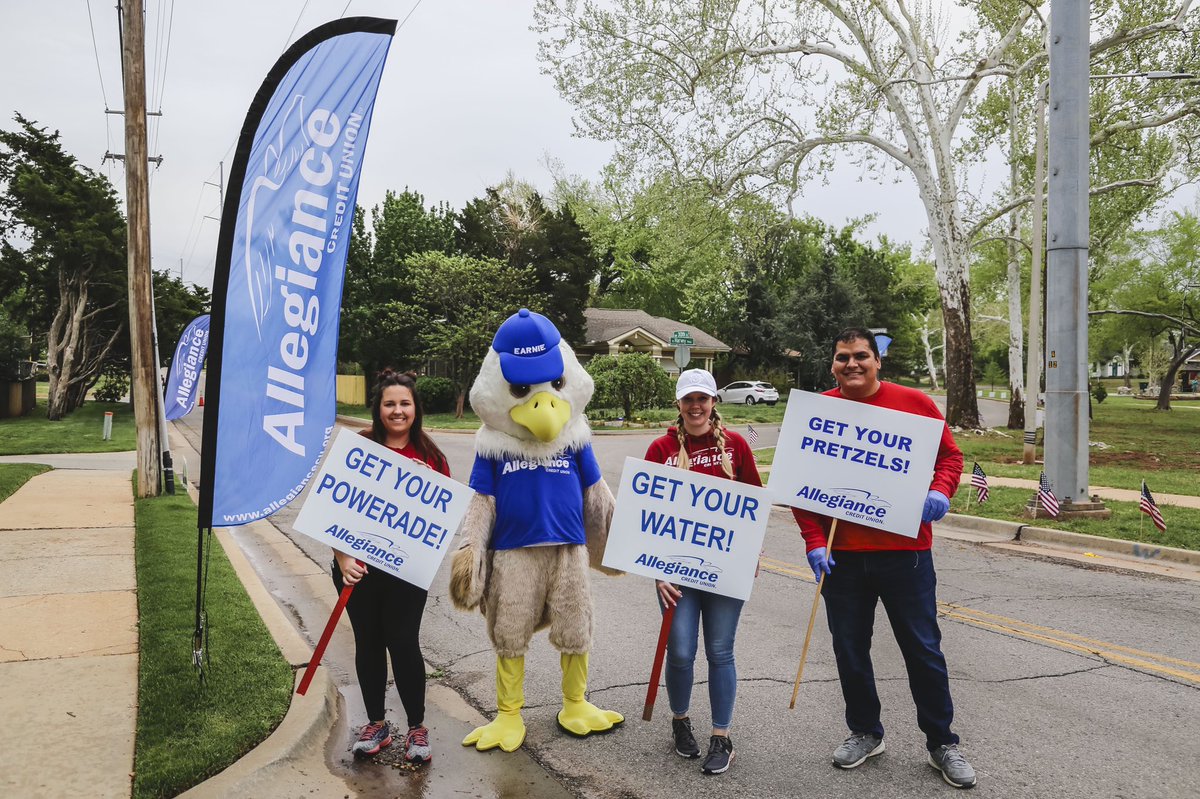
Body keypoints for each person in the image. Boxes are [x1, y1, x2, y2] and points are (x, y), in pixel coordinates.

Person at [792, 328, 976, 788]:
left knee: (923, 650)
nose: (851, 364)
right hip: (842, 558)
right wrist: (814, 540)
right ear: (832, 364)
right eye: (842, 357)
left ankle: (942, 742)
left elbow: (950, 458)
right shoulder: (819, 411)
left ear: (878, 361)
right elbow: (801, 483)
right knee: (850, 649)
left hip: (905, 554)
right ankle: (865, 732)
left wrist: (941, 491)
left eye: (861, 356)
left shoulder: (914, 403)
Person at [644, 368, 763, 776]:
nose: (696, 407)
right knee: (679, 651)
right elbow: (646, 515)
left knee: (720, 650)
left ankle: (721, 737)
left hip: (725, 568)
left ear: (713, 402)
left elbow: (753, 502)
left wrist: (750, 552)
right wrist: (658, 571)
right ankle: (680, 721)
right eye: (688, 399)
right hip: (675, 571)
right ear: (678, 404)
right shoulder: (660, 449)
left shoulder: (736, 446)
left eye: (703, 399)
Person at [333, 369, 450, 763]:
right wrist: (343, 559)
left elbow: (441, 522)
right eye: (389, 404)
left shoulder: (432, 457)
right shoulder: (360, 448)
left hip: (406, 573)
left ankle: (417, 728)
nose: (397, 411)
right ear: (378, 408)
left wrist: (430, 487)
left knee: (402, 643)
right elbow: (334, 510)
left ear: (416, 408)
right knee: (368, 644)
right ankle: (376, 723)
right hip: (359, 570)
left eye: (404, 403)